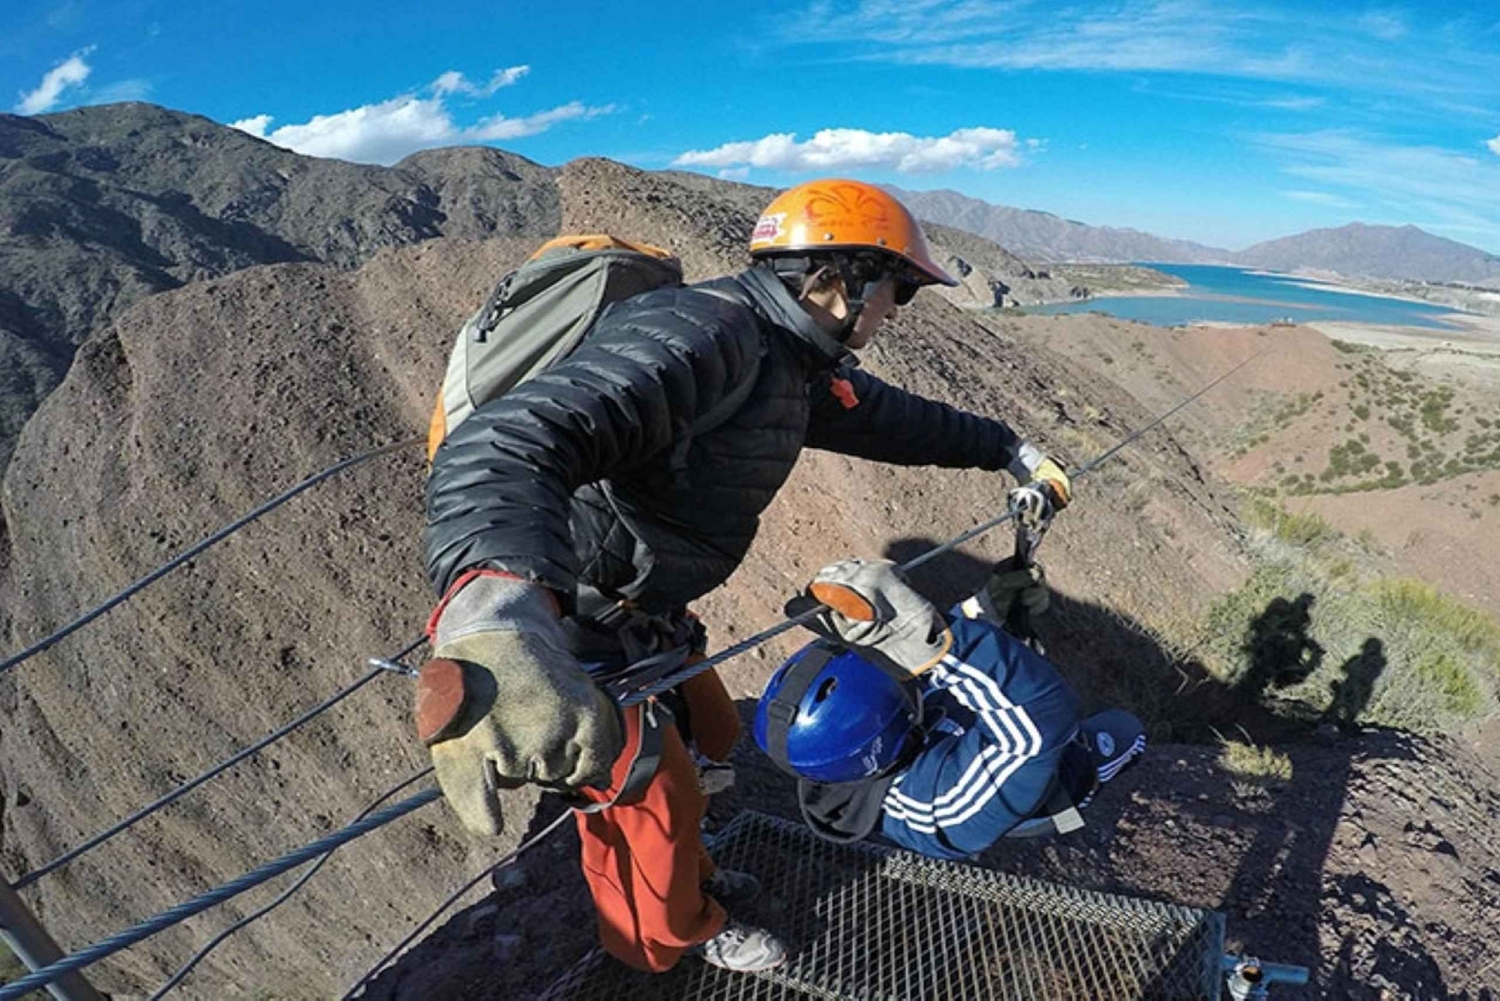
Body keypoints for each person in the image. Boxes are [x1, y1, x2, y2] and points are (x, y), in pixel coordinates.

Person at [418, 179, 1074, 974]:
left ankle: (693, 879)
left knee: (709, 744)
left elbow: (886, 417)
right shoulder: (707, 333)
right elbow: (516, 438)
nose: (897, 309)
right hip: (574, 620)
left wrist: (1007, 449)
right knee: (646, 798)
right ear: (840, 279)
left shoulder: (787, 356)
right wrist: (496, 613)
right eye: (896, 287)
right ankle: (668, 941)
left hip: (644, 608)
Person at [755, 557, 1146, 858]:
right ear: (893, 732)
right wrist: (944, 642)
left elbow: (917, 661)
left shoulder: (850, 738)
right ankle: (1074, 801)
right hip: (1041, 773)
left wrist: (986, 608)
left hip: (958, 740)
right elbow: (1041, 726)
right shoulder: (936, 810)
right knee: (1127, 730)